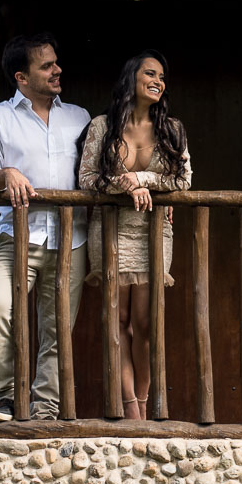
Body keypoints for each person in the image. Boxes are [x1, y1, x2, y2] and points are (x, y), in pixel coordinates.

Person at [0, 33, 90, 422]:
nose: (57, 71)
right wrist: (6, 173)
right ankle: (6, 396)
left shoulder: (80, 117)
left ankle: (45, 409)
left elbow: (98, 172)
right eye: (46, 66)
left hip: (72, 240)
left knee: (58, 331)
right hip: (16, 236)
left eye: (56, 63)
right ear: (22, 77)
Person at [78, 50, 191, 420]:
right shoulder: (101, 125)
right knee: (117, 321)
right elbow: (87, 180)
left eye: (162, 75)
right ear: (132, 78)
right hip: (111, 232)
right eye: (150, 73)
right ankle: (131, 409)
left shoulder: (172, 129)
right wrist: (124, 188)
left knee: (144, 324)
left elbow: (183, 181)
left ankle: (144, 400)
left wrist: (142, 180)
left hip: (153, 232)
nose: (158, 80)